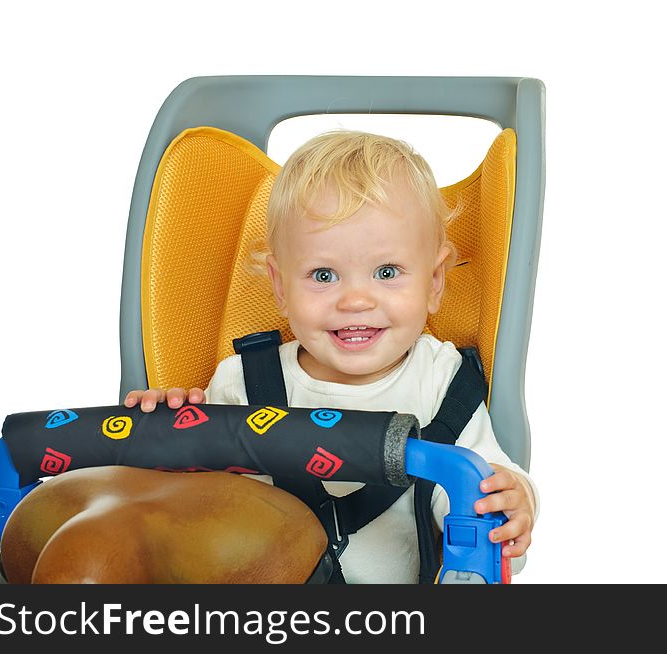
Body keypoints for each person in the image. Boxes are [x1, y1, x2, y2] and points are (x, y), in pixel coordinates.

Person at [125, 130, 538, 583]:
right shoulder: (242, 381)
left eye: (387, 272)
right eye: (324, 275)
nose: (355, 300)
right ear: (280, 288)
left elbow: (483, 501)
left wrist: (508, 504)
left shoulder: (442, 384)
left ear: (435, 281)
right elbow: (186, 508)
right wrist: (165, 430)